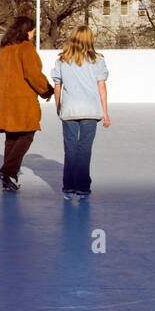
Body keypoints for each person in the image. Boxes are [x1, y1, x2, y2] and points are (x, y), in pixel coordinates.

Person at [0, 15, 53, 192]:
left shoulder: (5, 48)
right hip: (22, 100)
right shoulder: (26, 48)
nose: (34, 34)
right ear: (27, 31)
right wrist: (47, 90)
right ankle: (8, 171)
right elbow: (33, 74)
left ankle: (9, 178)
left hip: (4, 99)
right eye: (33, 30)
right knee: (27, 134)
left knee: (11, 137)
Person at [50, 25, 111, 200]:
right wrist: (105, 113)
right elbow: (102, 87)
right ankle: (83, 188)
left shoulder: (62, 60)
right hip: (91, 110)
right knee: (85, 149)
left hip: (69, 109)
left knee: (70, 149)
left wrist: (58, 107)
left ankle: (68, 188)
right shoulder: (98, 60)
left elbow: (57, 86)